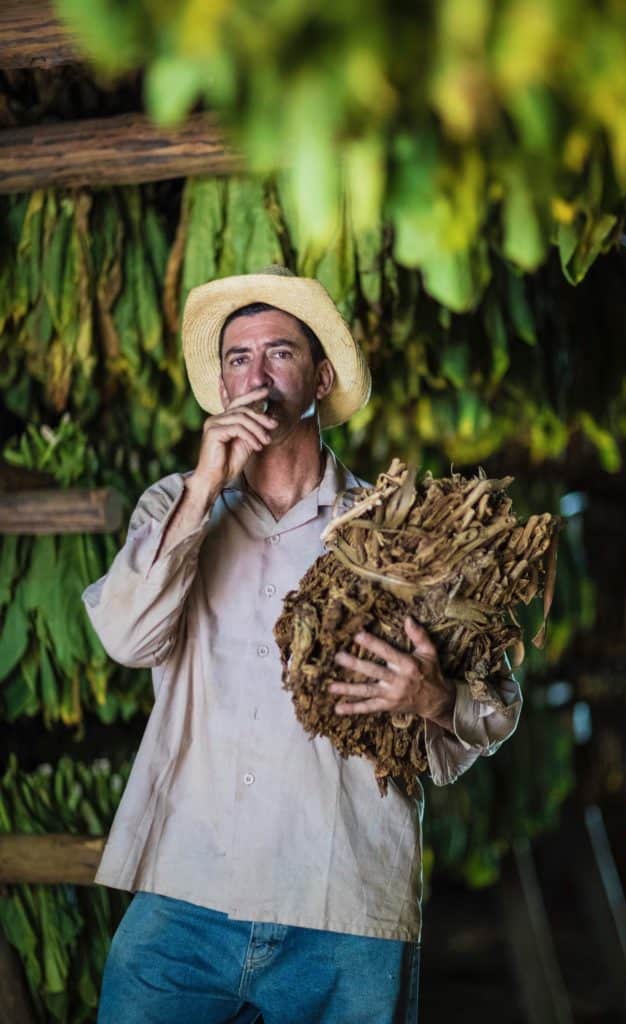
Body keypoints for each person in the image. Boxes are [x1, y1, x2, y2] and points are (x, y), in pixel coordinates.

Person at [82, 265, 522, 1024]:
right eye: (237, 358)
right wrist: (202, 484)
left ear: (319, 378)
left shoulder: (397, 532)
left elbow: (498, 705)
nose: (257, 376)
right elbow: (126, 637)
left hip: (342, 902)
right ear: (221, 387)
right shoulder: (174, 505)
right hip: (185, 893)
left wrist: (433, 698)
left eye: (279, 353)